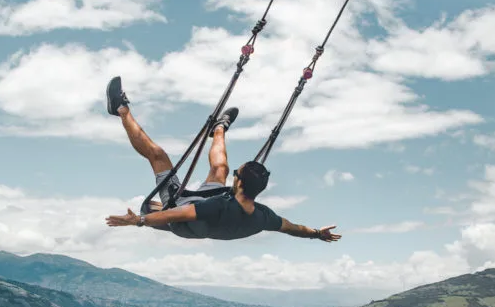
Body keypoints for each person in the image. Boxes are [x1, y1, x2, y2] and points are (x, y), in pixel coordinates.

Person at [103, 76, 341, 243]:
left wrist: (139, 220)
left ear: (239, 183)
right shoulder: (263, 215)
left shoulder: (218, 206)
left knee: (158, 156)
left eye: (237, 174)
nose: (234, 175)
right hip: (208, 214)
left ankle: (120, 110)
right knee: (219, 169)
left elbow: (175, 215)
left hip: (182, 216)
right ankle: (219, 128)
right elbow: (292, 228)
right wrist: (316, 234)